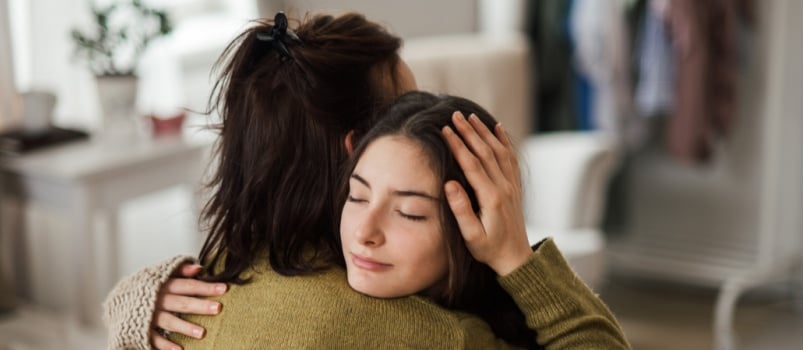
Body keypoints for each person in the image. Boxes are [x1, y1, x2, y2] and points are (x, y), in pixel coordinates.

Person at [103, 12, 630, 350]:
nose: (424, 124)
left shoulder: (211, 279)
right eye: (403, 107)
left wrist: (130, 300)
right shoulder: (430, 336)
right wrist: (519, 261)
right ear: (359, 149)